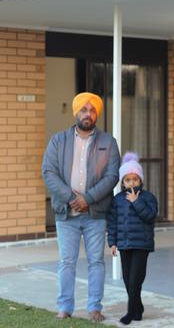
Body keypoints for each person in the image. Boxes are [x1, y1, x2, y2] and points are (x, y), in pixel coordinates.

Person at [41, 92, 120, 322]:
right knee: (67, 262)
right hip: (66, 214)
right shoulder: (58, 140)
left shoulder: (108, 142)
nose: (88, 114)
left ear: (97, 114)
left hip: (95, 214)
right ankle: (65, 307)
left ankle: (94, 307)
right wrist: (70, 197)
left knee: (96, 261)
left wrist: (88, 198)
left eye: (93, 110)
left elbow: (112, 175)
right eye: (84, 110)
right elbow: (49, 171)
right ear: (76, 112)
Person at [107, 153, 158, 325]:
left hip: (141, 245)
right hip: (124, 245)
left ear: (140, 180)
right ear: (122, 182)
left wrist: (136, 202)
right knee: (128, 280)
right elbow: (113, 222)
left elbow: (150, 217)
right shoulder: (117, 200)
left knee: (136, 279)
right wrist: (112, 242)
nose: (131, 183)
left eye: (134, 179)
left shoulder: (148, 198)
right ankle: (139, 308)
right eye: (127, 180)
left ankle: (130, 312)